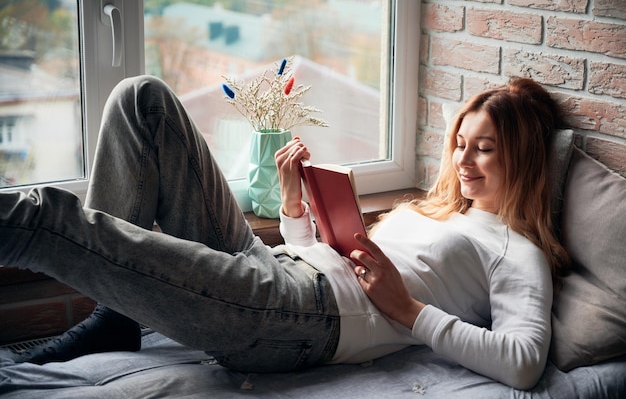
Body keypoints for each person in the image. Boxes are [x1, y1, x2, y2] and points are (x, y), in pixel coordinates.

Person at [0, 75, 569, 390]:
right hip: (280, 270)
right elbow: (328, 259)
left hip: (300, 318)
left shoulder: (517, 254)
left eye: (485, 148)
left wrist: (409, 310)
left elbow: (523, 362)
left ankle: (110, 315)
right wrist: (296, 210)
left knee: (49, 217)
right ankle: (116, 316)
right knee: (140, 100)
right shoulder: (440, 211)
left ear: (520, 157)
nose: (464, 160)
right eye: (461, 144)